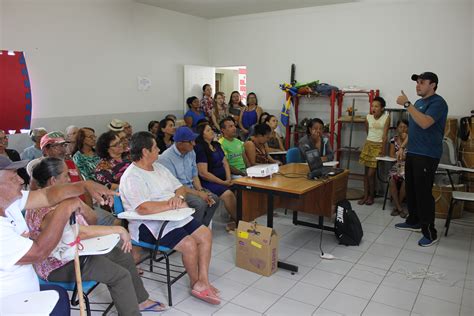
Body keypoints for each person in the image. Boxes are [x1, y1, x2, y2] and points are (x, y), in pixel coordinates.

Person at [24, 157, 166, 315]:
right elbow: (77, 233)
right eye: (65, 175)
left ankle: (141, 300)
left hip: (81, 250)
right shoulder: (42, 209)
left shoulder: (64, 196)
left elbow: (92, 220)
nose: (70, 178)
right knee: (120, 275)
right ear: (53, 180)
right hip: (58, 264)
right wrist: (117, 230)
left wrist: (82, 206)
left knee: (123, 257)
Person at [0, 155, 115, 315]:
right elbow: (38, 253)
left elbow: (47, 195)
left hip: (26, 291)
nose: (21, 180)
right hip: (10, 304)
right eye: (13, 178)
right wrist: (65, 208)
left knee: (60, 297)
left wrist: (85, 185)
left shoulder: (9, 202)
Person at [119, 131, 221, 305]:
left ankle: (203, 280)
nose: (159, 150)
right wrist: (171, 204)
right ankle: (196, 283)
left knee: (205, 234)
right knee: (188, 244)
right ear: (145, 152)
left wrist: (179, 199)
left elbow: (179, 188)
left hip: (174, 215)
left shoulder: (158, 167)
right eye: (156, 147)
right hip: (148, 224)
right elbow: (143, 208)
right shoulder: (132, 176)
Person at [394, 72, 448, 247]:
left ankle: (430, 232)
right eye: (417, 82)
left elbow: (425, 123)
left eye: (422, 82)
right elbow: (414, 130)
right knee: (412, 189)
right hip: (413, 152)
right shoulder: (418, 103)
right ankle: (414, 220)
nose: (418, 85)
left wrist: (407, 104)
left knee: (424, 193)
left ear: (433, 85)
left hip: (427, 154)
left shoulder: (438, 103)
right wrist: (402, 147)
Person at [159, 126, 220, 226]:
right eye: (190, 142)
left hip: (192, 188)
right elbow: (176, 186)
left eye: (194, 140)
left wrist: (201, 190)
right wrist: (199, 194)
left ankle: (202, 227)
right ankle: (193, 230)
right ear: (179, 143)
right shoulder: (166, 158)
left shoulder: (191, 152)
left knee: (214, 199)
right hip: (178, 192)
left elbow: (194, 176)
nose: (194, 144)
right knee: (199, 203)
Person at [195, 122, 237, 230]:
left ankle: (234, 217)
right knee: (228, 194)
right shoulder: (200, 149)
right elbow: (203, 173)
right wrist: (223, 182)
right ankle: (239, 220)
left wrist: (228, 178)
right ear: (202, 134)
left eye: (211, 129)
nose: (212, 131)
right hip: (209, 181)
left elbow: (225, 162)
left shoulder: (216, 145)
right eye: (208, 130)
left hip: (223, 179)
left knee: (241, 187)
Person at [358, 97, 390, 206]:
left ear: (382, 108)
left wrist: (383, 150)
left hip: (378, 146)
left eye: (376, 106)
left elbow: (385, 136)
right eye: (373, 106)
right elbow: (367, 131)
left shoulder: (386, 117)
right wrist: (370, 142)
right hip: (368, 145)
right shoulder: (368, 117)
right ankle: (366, 196)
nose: (374, 108)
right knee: (365, 174)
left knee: (371, 174)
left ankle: (372, 195)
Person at [388, 119, 409, 218]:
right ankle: (399, 208)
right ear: (397, 128)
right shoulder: (393, 139)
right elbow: (391, 154)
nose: (403, 129)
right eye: (401, 127)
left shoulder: (411, 139)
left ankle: (397, 206)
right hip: (397, 165)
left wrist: (403, 157)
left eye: (405, 127)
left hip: (408, 166)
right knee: (392, 180)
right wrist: (400, 157)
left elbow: (411, 156)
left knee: (406, 182)